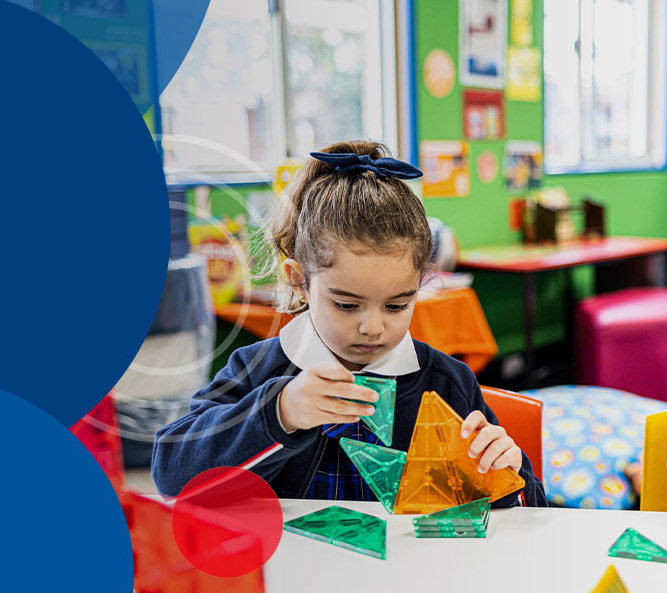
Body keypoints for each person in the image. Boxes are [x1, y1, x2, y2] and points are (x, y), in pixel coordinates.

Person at [153, 140, 548, 507]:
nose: (372, 327)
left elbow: (530, 511)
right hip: (297, 576)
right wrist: (281, 412)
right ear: (299, 281)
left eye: (397, 305)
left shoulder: (447, 384)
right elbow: (170, 471)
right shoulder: (258, 369)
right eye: (346, 304)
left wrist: (509, 478)